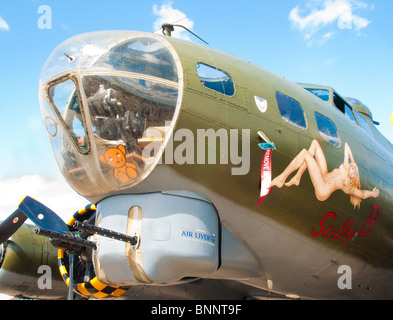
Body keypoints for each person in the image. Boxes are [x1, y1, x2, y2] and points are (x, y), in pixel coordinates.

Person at [271, 139, 379, 209]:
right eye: (352, 170)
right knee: (314, 143)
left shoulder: (348, 184)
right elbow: (346, 146)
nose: (352, 173)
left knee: (305, 153)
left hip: (323, 189)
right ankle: (297, 177)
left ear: (355, 177)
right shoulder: (344, 168)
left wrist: (372, 194)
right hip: (323, 176)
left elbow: (362, 194)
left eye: (354, 173)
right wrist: (353, 162)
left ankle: (281, 179)